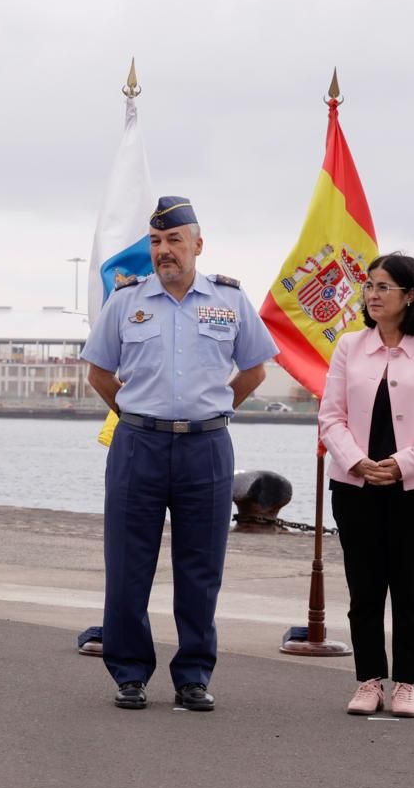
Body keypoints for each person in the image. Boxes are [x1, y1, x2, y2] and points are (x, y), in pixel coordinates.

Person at [80, 197, 279, 711]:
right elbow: (99, 372)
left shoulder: (230, 301)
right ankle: (129, 672)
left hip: (206, 447)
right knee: (127, 564)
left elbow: (256, 368)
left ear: (197, 244)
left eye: (173, 240)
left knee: (200, 567)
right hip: (137, 445)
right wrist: (133, 417)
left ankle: (192, 674)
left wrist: (214, 410)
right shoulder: (125, 302)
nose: (163, 251)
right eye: (155, 241)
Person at [316, 252, 414, 719]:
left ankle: (407, 684)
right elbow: (330, 415)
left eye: (384, 287)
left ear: (410, 295)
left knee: (409, 587)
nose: (373, 295)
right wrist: (357, 461)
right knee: (364, 586)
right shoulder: (349, 346)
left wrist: (401, 465)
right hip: (355, 484)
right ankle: (369, 680)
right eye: (369, 286)